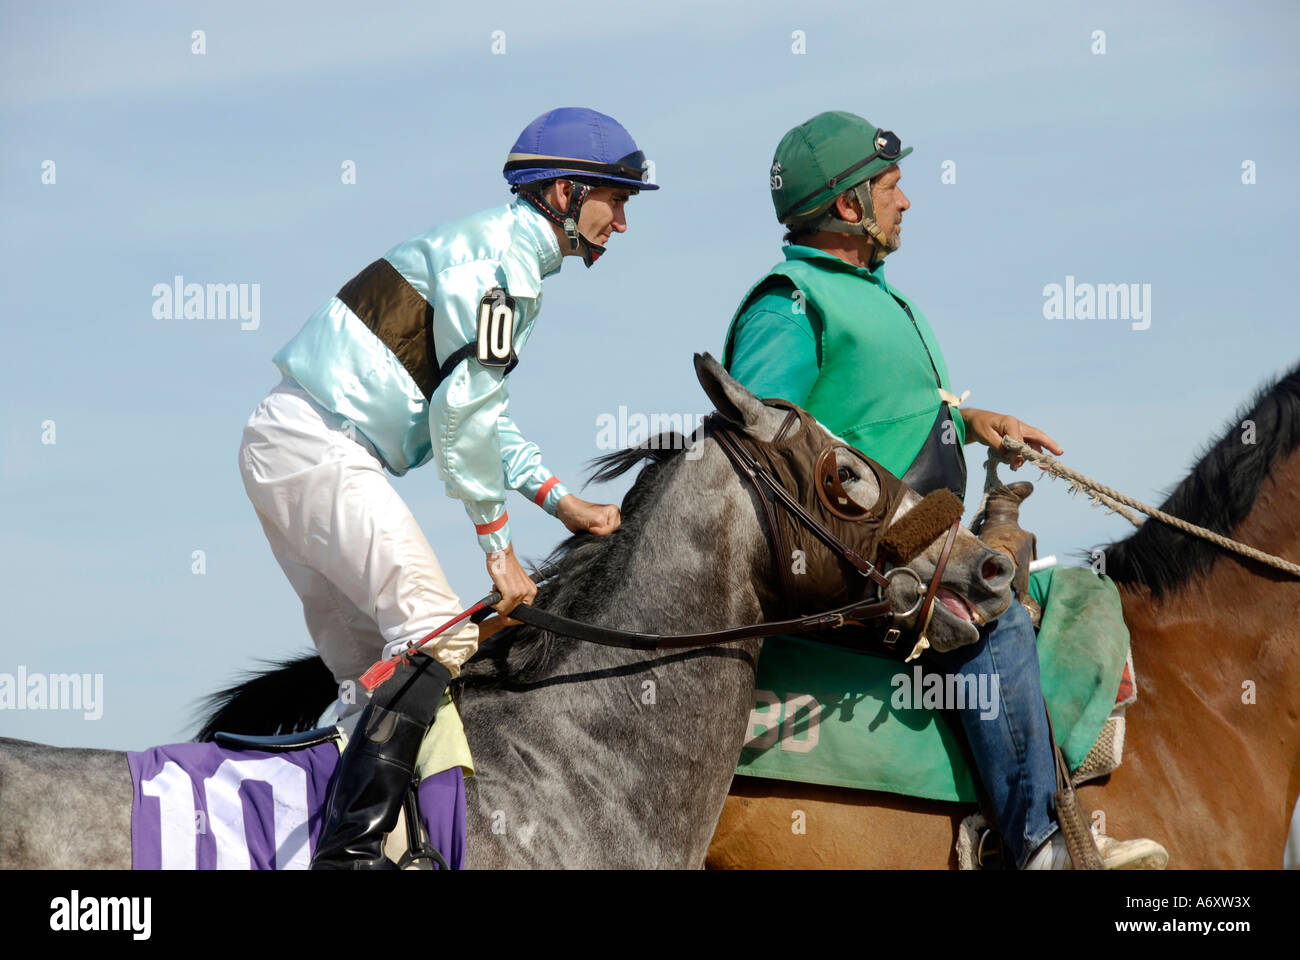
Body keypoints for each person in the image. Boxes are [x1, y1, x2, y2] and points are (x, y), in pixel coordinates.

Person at [722, 110, 1166, 870]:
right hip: (856, 562)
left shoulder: (875, 294)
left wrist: (970, 422)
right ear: (847, 205)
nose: (907, 201)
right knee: (995, 614)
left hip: (912, 539)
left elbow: (878, 415)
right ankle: (1037, 844)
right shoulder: (790, 301)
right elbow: (755, 442)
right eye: (891, 186)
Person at [238, 107, 657, 868]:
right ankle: (354, 856)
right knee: (439, 632)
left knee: (372, 679)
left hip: (290, 445)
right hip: (321, 449)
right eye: (615, 199)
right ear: (565, 192)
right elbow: (463, 417)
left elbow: (472, 411)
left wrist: (560, 499)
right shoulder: (504, 268)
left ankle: (374, 844)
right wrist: (499, 550)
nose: (622, 222)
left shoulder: (492, 252)